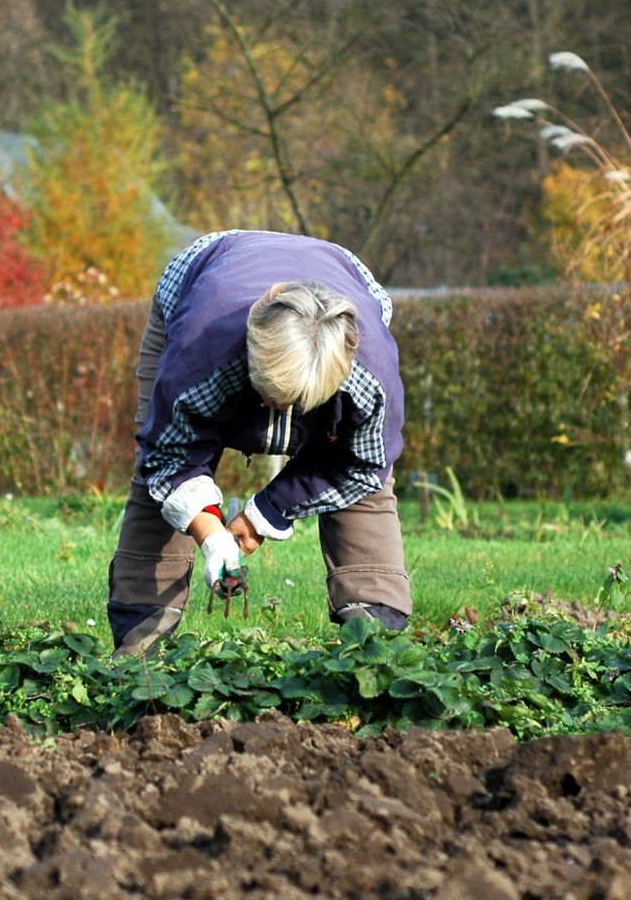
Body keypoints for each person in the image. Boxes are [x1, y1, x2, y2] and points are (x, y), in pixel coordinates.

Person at [107, 229, 410, 656]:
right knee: (154, 472)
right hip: (205, 282)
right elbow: (171, 454)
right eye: (271, 396)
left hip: (340, 280)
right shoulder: (199, 348)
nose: (282, 409)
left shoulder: (371, 373)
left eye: (297, 403)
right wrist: (212, 536)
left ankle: (375, 635)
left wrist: (265, 515)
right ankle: (140, 635)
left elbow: (361, 465)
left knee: (367, 491)